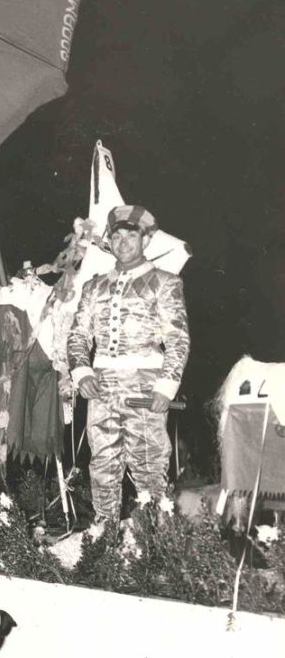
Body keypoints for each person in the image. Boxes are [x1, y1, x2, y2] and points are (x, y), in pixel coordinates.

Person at [67, 204, 190, 526]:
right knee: (103, 463)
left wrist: (166, 386)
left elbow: (177, 339)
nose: (123, 243)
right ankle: (104, 538)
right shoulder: (94, 286)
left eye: (131, 236)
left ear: (145, 240)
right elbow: (78, 335)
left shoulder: (165, 282)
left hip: (145, 386)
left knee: (149, 463)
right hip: (102, 386)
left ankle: (154, 543)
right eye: (117, 236)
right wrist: (82, 373)